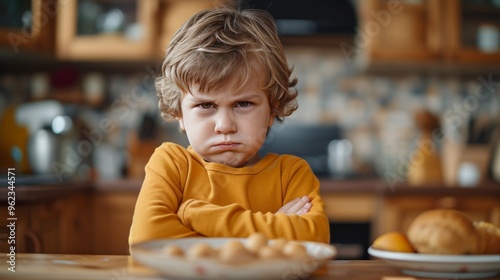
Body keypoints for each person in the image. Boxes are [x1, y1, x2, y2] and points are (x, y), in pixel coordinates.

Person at [128, 5, 330, 246]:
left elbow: (314, 239)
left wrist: (196, 214)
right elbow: (147, 239)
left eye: (243, 103)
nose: (224, 126)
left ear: (272, 110)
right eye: (205, 106)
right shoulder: (172, 165)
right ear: (179, 113)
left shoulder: (291, 174)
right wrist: (271, 232)